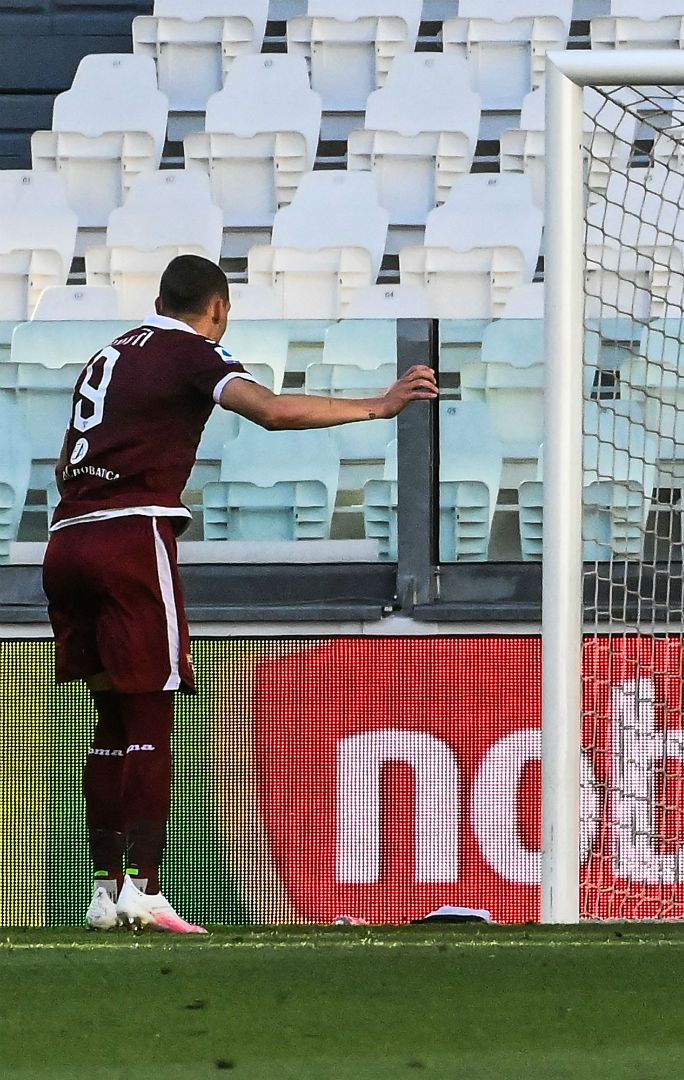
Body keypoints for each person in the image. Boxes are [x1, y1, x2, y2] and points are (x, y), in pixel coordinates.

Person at [44, 255, 439, 933]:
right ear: (218, 308)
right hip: (130, 539)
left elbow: (64, 460)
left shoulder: (108, 354)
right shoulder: (191, 351)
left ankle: (105, 891)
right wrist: (379, 405)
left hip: (66, 538)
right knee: (152, 713)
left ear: (158, 300)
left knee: (110, 717)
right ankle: (146, 887)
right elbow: (272, 411)